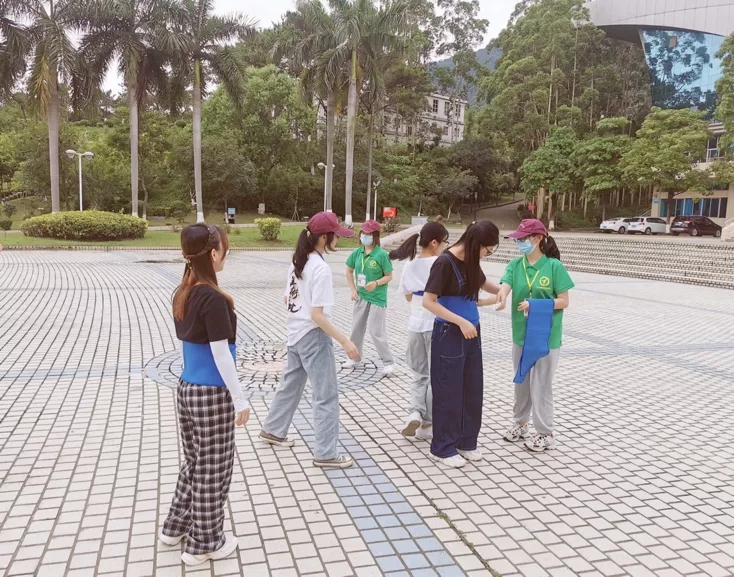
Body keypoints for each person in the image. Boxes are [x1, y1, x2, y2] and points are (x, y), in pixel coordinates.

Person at [161, 224, 250, 566]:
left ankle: (175, 527)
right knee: (214, 470)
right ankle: (205, 543)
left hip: (187, 389)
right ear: (213, 254)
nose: (226, 255)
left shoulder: (183, 291)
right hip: (212, 394)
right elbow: (221, 353)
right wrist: (239, 398)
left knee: (195, 463)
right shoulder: (212, 298)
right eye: (225, 250)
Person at [259, 212, 360, 469]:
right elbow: (317, 315)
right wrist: (345, 341)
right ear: (324, 238)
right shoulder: (321, 269)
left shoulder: (298, 263)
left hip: (295, 334)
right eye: (336, 235)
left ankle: (273, 430)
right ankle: (326, 453)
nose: (338, 238)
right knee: (326, 395)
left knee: (290, 385)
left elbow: (288, 299)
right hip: (314, 336)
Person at [422, 221, 502, 468]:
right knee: (449, 391)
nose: (486, 254)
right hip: (450, 333)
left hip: (472, 333)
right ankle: (442, 447)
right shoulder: (444, 263)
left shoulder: (471, 261)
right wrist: (460, 322)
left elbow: (483, 283)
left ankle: (466, 442)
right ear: (476, 244)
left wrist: (503, 291)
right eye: (487, 250)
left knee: (472, 389)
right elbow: (428, 301)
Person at [496, 219, 574, 452]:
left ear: (538, 238)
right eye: (518, 240)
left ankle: (545, 433)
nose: (519, 243)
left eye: (523, 239)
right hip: (521, 335)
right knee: (521, 381)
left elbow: (564, 301)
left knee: (541, 385)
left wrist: (536, 305)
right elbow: (505, 285)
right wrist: (502, 295)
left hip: (546, 337)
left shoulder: (554, 266)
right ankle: (520, 424)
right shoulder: (515, 265)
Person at [390, 221, 449, 442]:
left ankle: (414, 412)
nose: (445, 246)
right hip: (436, 324)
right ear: (434, 242)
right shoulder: (441, 263)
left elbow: (407, 296)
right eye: (444, 242)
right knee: (435, 377)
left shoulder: (410, 264)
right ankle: (427, 423)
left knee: (419, 375)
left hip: (414, 324)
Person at [345, 219, 395, 374]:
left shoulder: (381, 255)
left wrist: (376, 283)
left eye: (369, 233)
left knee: (376, 331)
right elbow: (349, 271)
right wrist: (353, 289)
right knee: (356, 329)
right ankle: (354, 358)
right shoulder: (357, 252)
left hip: (377, 298)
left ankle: (388, 362)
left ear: (375, 236)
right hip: (361, 296)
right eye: (363, 233)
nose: (365, 236)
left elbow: (389, 276)